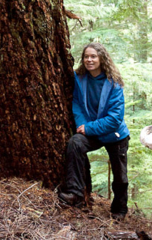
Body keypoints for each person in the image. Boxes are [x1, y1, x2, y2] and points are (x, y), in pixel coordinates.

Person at [59, 42, 130, 220]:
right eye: (86, 57)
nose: (89, 60)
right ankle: (77, 192)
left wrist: (89, 127)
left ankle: (119, 210)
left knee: (120, 176)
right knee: (76, 143)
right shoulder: (80, 78)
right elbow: (76, 103)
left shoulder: (114, 83)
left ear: (101, 58)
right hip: (92, 133)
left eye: (93, 56)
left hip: (114, 135)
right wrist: (83, 126)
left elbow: (115, 119)